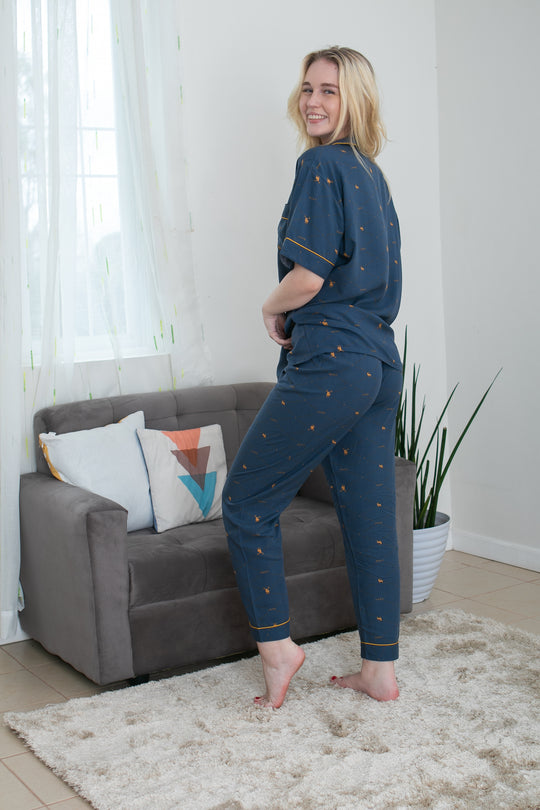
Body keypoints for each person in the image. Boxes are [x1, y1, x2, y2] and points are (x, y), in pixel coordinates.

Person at [222, 46, 403, 708]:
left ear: (355, 99)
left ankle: (278, 649)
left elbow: (309, 276)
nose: (314, 101)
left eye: (329, 89)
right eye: (307, 88)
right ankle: (380, 672)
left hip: (333, 361)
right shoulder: (370, 174)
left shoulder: (320, 164)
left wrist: (269, 306)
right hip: (380, 364)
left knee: (245, 502)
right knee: (371, 519)